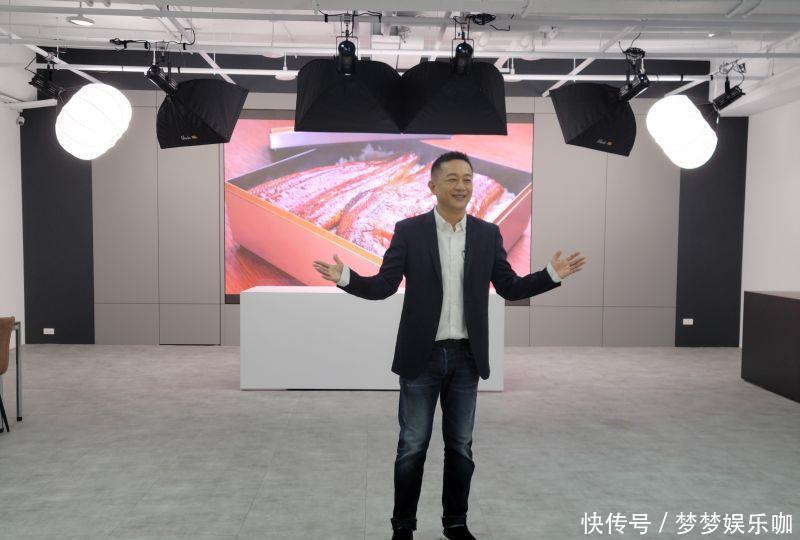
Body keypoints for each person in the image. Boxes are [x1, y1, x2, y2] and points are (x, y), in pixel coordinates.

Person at [313, 151, 586, 540]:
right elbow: (384, 286)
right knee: (412, 446)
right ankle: (403, 526)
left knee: (460, 447)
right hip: (421, 357)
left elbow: (509, 287)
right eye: (453, 179)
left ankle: (455, 523)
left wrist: (550, 275)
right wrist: (346, 278)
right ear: (433, 186)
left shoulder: (487, 234)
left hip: (466, 358)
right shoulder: (410, 231)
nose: (462, 186)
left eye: (467, 179)